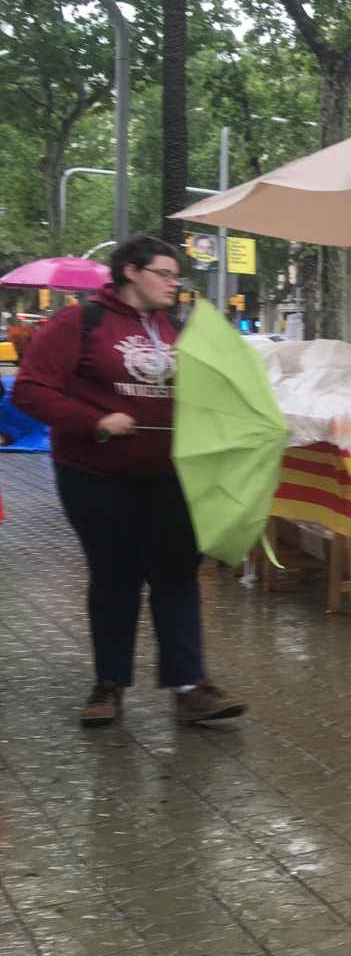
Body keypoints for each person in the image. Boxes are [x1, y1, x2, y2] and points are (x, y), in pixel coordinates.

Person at [13, 236, 246, 728]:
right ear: (130, 272)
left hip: (171, 477)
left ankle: (190, 687)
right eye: (163, 272)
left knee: (178, 575)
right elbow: (31, 391)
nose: (172, 282)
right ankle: (109, 685)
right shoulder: (79, 323)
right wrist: (94, 420)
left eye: (175, 274)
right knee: (116, 576)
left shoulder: (176, 328)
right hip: (96, 476)